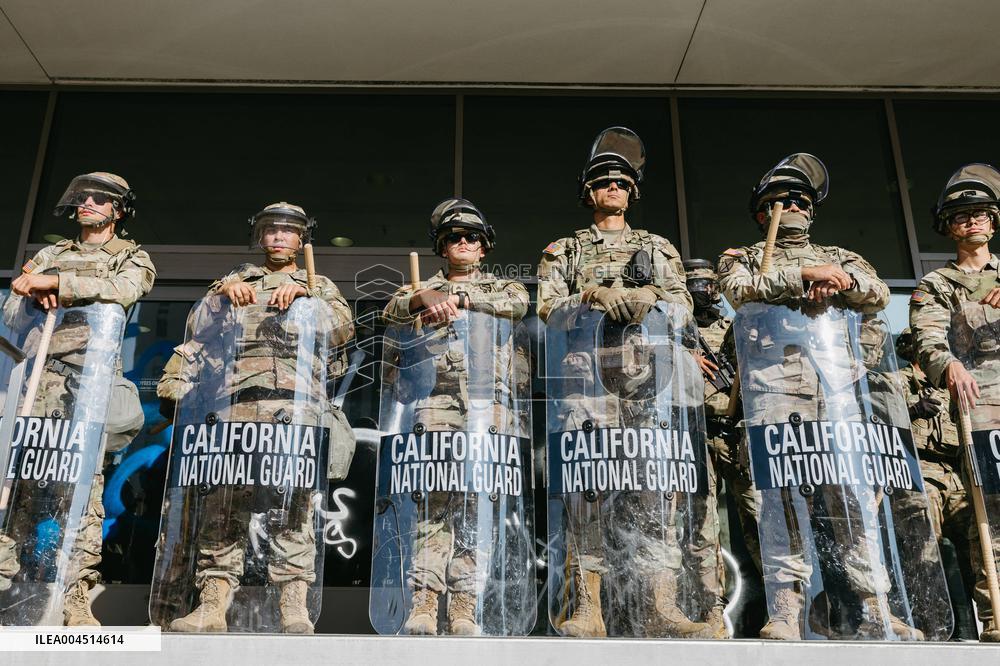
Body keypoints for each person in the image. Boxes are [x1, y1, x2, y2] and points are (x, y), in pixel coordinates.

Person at [718, 153, 925, 640]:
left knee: (851, 498)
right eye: (781, 200)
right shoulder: (743, 255)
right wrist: (805, 277)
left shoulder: (841, 255)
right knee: (781, 499)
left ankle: (872, 605)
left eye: (800, 201)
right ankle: (786, 608)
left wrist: (844, 280)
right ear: (762, 211)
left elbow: (876, 294)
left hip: (837, 384)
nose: (792, 207)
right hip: (774, 382)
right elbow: (740, 290)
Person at [538, 127, 719, 638]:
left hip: (649, 389)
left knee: (656, 498)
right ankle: (588, 609)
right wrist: (590, 296)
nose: (612, 189)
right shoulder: (565, 250)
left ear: (632, 192)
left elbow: (684, 308)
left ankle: (660, 606)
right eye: (602, 183)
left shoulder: (657, 247)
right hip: (588, 387)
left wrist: (652, 301)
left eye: (620, 183)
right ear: (589, 193)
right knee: (586, 496)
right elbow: (547, 309)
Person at [155, 202, 354, 634]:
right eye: (271, 230)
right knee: (224, 510)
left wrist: (308, 299)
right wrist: (222, 296)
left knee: (293, 511)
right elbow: (197, 329)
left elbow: (343, 331)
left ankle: (293, 606)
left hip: (295, 412)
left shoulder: (318, 285)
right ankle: (212, 605)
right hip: (234, 410)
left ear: (302, 240)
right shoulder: (233, 281)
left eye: (289, 231)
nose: (279, 237)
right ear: (260, 237)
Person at [0, 172, 155, 625]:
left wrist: (59, 285)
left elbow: (125, 291)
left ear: (118, 210)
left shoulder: (130, 256)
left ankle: (74, 597)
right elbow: (14, 305)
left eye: (99, 199)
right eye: (83, 197)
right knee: (20, 488)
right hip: (38, 384)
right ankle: (10, 587)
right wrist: (30, 294)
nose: (87, 203)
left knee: (81, 494)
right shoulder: (50, 253)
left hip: (86, 388)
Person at [381, 198, 530, 635]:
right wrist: (423, 297)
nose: (463, 243)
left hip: (490, 407)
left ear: (484, 248)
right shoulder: (418, 287)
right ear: (442, 248)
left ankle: (464, 605)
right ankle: (424, 602)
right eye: (453, 238)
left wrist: (458, 297)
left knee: (477, 508)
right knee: (431, 507)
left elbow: (516, 306)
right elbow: (392, 308)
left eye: (471, 238)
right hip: (436, 404)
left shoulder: (505, 287)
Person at [908, 162, 1000, 642]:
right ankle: (994, 617)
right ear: (948, 226)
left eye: (980, 213)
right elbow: (926, 338)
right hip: (977, 408)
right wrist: (950, 365)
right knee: (989, 512)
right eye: (961, 215)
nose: (971, 221)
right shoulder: (936, 284)